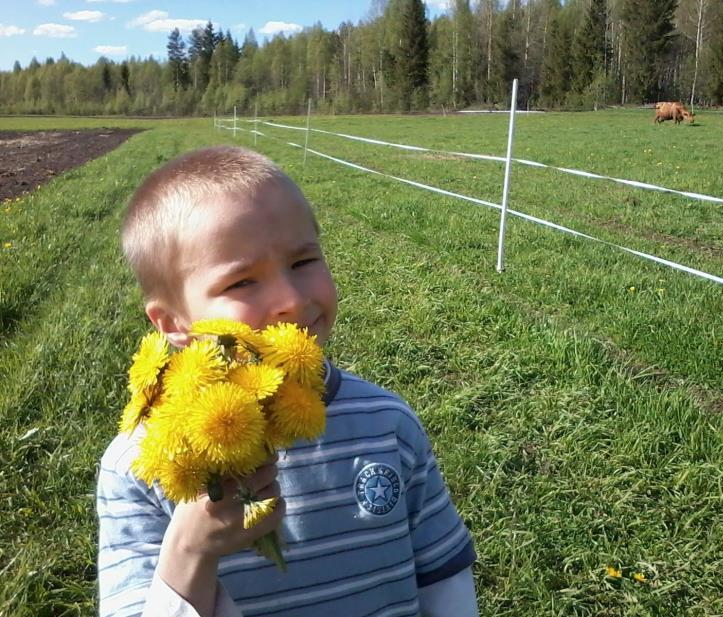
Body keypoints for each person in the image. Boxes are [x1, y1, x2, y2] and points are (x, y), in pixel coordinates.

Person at [96, 145, 478, 617]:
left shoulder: (387, 423)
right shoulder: (139, 466)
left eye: (303, 263)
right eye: (242, 283)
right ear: (173, 324)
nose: (292, 301)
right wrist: (191, 552)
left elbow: (443, 575)